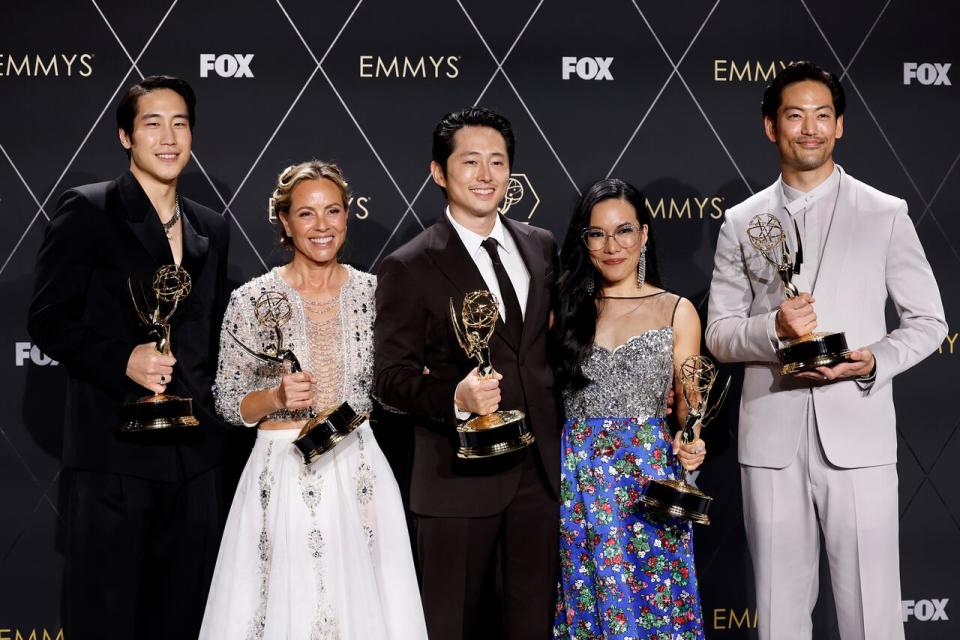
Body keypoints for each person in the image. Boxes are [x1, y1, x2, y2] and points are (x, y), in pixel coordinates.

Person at [705, 61, 947, 640]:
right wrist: (774, 330)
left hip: (859, 435)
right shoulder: (742, 222)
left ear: (839, 126)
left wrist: (872, 361)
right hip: (771, 441)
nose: (808, 128)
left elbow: (928, 322)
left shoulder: (885, 212)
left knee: (872, 616)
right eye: (794, 115)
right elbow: (719, 332)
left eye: (821, 115)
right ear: (771, 127)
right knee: (779, 617)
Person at [27, 75, 230, 639]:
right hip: (112, 457)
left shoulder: (210, 226)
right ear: (125, 136)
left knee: (184, 621)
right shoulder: (88, 210)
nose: (169, 137)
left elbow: (207, 338)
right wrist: (125, 359)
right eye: (152, 123)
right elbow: (47, 319)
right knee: (108, 620)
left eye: (180, 123)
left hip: (193, 462)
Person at [200, 161, 427, 639]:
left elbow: (391, 391)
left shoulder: (375, 293)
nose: (322, 226)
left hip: (359, 467)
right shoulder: (251, 299)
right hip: (282, 470)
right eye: (306, 214)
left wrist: (419, 380)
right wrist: (274, 396)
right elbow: (227, 402)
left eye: (333, 211)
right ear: (285, 220)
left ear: (347, 217)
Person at [374, 107, 561, 639]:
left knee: (530, 626)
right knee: (450, 626)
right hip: (455, 478)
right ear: (439, 172)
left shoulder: (541, 245)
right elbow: (389, 378)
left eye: (497, 162)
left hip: (538, 474)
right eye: (470, 161)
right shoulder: (408, 264)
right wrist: (455, 397)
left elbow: (548, 352)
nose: (485, 175)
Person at [552, 178, 706, 639]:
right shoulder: (562, 309)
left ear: (643, 234)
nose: (611, 245)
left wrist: (692, 441)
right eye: (597, 234)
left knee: (656, 603)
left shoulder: (677, 310)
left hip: (649, 478)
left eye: (623, 231)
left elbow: (689, 410)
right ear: (584, 241)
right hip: (580, 480)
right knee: (589, 601)